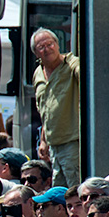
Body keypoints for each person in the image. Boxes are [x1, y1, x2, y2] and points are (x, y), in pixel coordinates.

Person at [32, 28, 81, 188]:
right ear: (36, 53)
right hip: (53, 146)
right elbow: (44, 112)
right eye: (41, 47)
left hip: (72, 142)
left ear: (58, 45)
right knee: (59, 192)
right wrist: (43, 140)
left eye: (50, 44)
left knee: (74, 189)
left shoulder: (72, 64)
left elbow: (88, 76)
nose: (47, 49)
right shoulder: (38, 73)